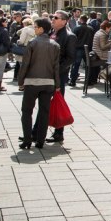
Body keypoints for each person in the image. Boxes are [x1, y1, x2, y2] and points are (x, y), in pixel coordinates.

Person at [18, 18, 60, 150]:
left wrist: (20, 81)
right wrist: (57, 84)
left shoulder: (32, 43)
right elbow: (56, 67)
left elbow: (25, 64)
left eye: (35, 27)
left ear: (41, 29)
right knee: (44, 112)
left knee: (26, 111)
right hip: (48, 83)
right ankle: (40, 140)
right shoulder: (55, 45)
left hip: (32, 82)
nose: (34, 29)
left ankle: (27, 139)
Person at [47, 10, 76, 144]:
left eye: (56, 17)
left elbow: (70, 58)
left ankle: (59, 132)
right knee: (45, 103)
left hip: (58, 76)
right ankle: (38, 130)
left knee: (57, 102)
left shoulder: (69, 36)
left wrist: (57, 71)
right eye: (52, 17)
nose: (52, 19)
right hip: (46, 73)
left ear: (64, 21)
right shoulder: (51, 33)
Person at [69, 14, 94, 87]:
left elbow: (73, 38)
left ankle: (73, 81)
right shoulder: (91, 29)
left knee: (76, 65)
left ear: (81, 20)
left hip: (78, 49)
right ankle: (88, 81)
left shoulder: (77, 28)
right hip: (87, 49)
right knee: (88, 66)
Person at [15, 18, 36, 91]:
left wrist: (18, 42)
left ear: (25, 24)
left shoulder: (25, 29)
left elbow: (21, 41)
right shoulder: (36, 29)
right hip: (32, 51)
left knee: (22, 68)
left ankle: (22, 85)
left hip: (24, 50)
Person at [89, 20, 111, 85]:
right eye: (110, 28)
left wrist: (109, 41)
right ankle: (104, 73)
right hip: (101, 55)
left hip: (97, 54)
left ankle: (103, 73)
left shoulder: (99, 32)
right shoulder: (102, 34)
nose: (110, 30)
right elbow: (103, 47)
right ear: (107, 27)